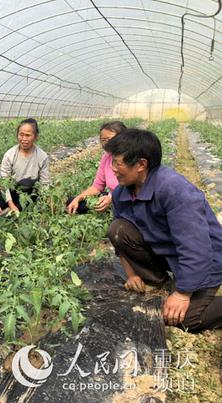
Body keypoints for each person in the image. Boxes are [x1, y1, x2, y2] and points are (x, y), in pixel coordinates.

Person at [105, 128, 222, 331]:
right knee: (118, 229)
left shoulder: (174, 190)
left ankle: (187, 288)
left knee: (186, 319)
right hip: (169, 253)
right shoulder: (121, 193)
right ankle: (161, 282)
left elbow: (196, 247)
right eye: (111, 161)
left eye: (118, 162)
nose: (113, 169)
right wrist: (132, 275)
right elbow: (120, 241)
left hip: (206, 259)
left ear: (141, 164)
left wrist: (182, 294)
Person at [66, 121, 127, 214]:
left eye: (109, 139)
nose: (106, 143)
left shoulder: (130, 157)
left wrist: (111, 198)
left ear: (122, 138)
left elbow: (132, 188)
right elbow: (97, 187)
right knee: (74, 202)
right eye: (103, 140)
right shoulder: (106, 157)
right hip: (111, 197)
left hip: (127, 199)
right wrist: (78, 198)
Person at [0, 118, 50, 215]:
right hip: (11, 191)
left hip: (29, 192)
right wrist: (11, 205)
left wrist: (48, 201)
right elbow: (4, 183)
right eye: (21, 135)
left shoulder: (42, 156)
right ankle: (9, 210)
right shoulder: (9, 155)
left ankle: (16, 211)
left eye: (28, 135)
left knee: (28, 206)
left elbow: (45, 184)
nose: (23, 139)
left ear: (36, 137)